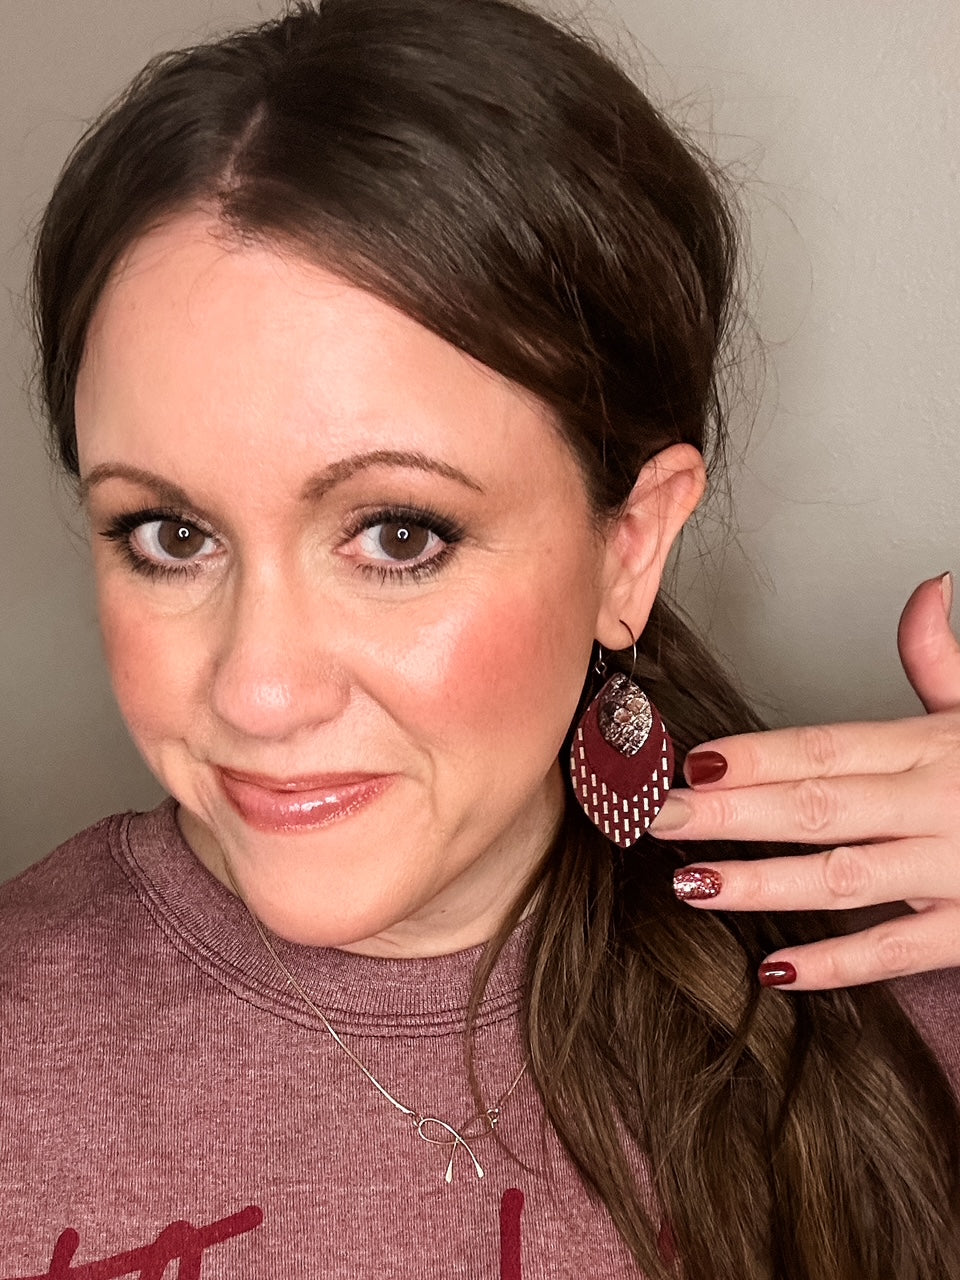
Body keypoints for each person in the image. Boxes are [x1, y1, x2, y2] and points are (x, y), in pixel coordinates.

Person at [1, 1, 958, 1276]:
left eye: (398, 534)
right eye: (170, 534)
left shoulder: (901, 985)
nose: (262, 689)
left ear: (632, 545)